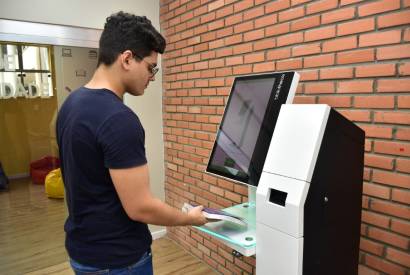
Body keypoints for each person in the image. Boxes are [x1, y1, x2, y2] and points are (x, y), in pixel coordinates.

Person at [56, 11, 207, 275]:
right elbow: (141, 208)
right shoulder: (118, 119)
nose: (153, 76)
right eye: (151, 67)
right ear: (127, 59)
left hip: (83, 253)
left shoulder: (71, 104)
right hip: (118, 261)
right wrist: (190, 219)